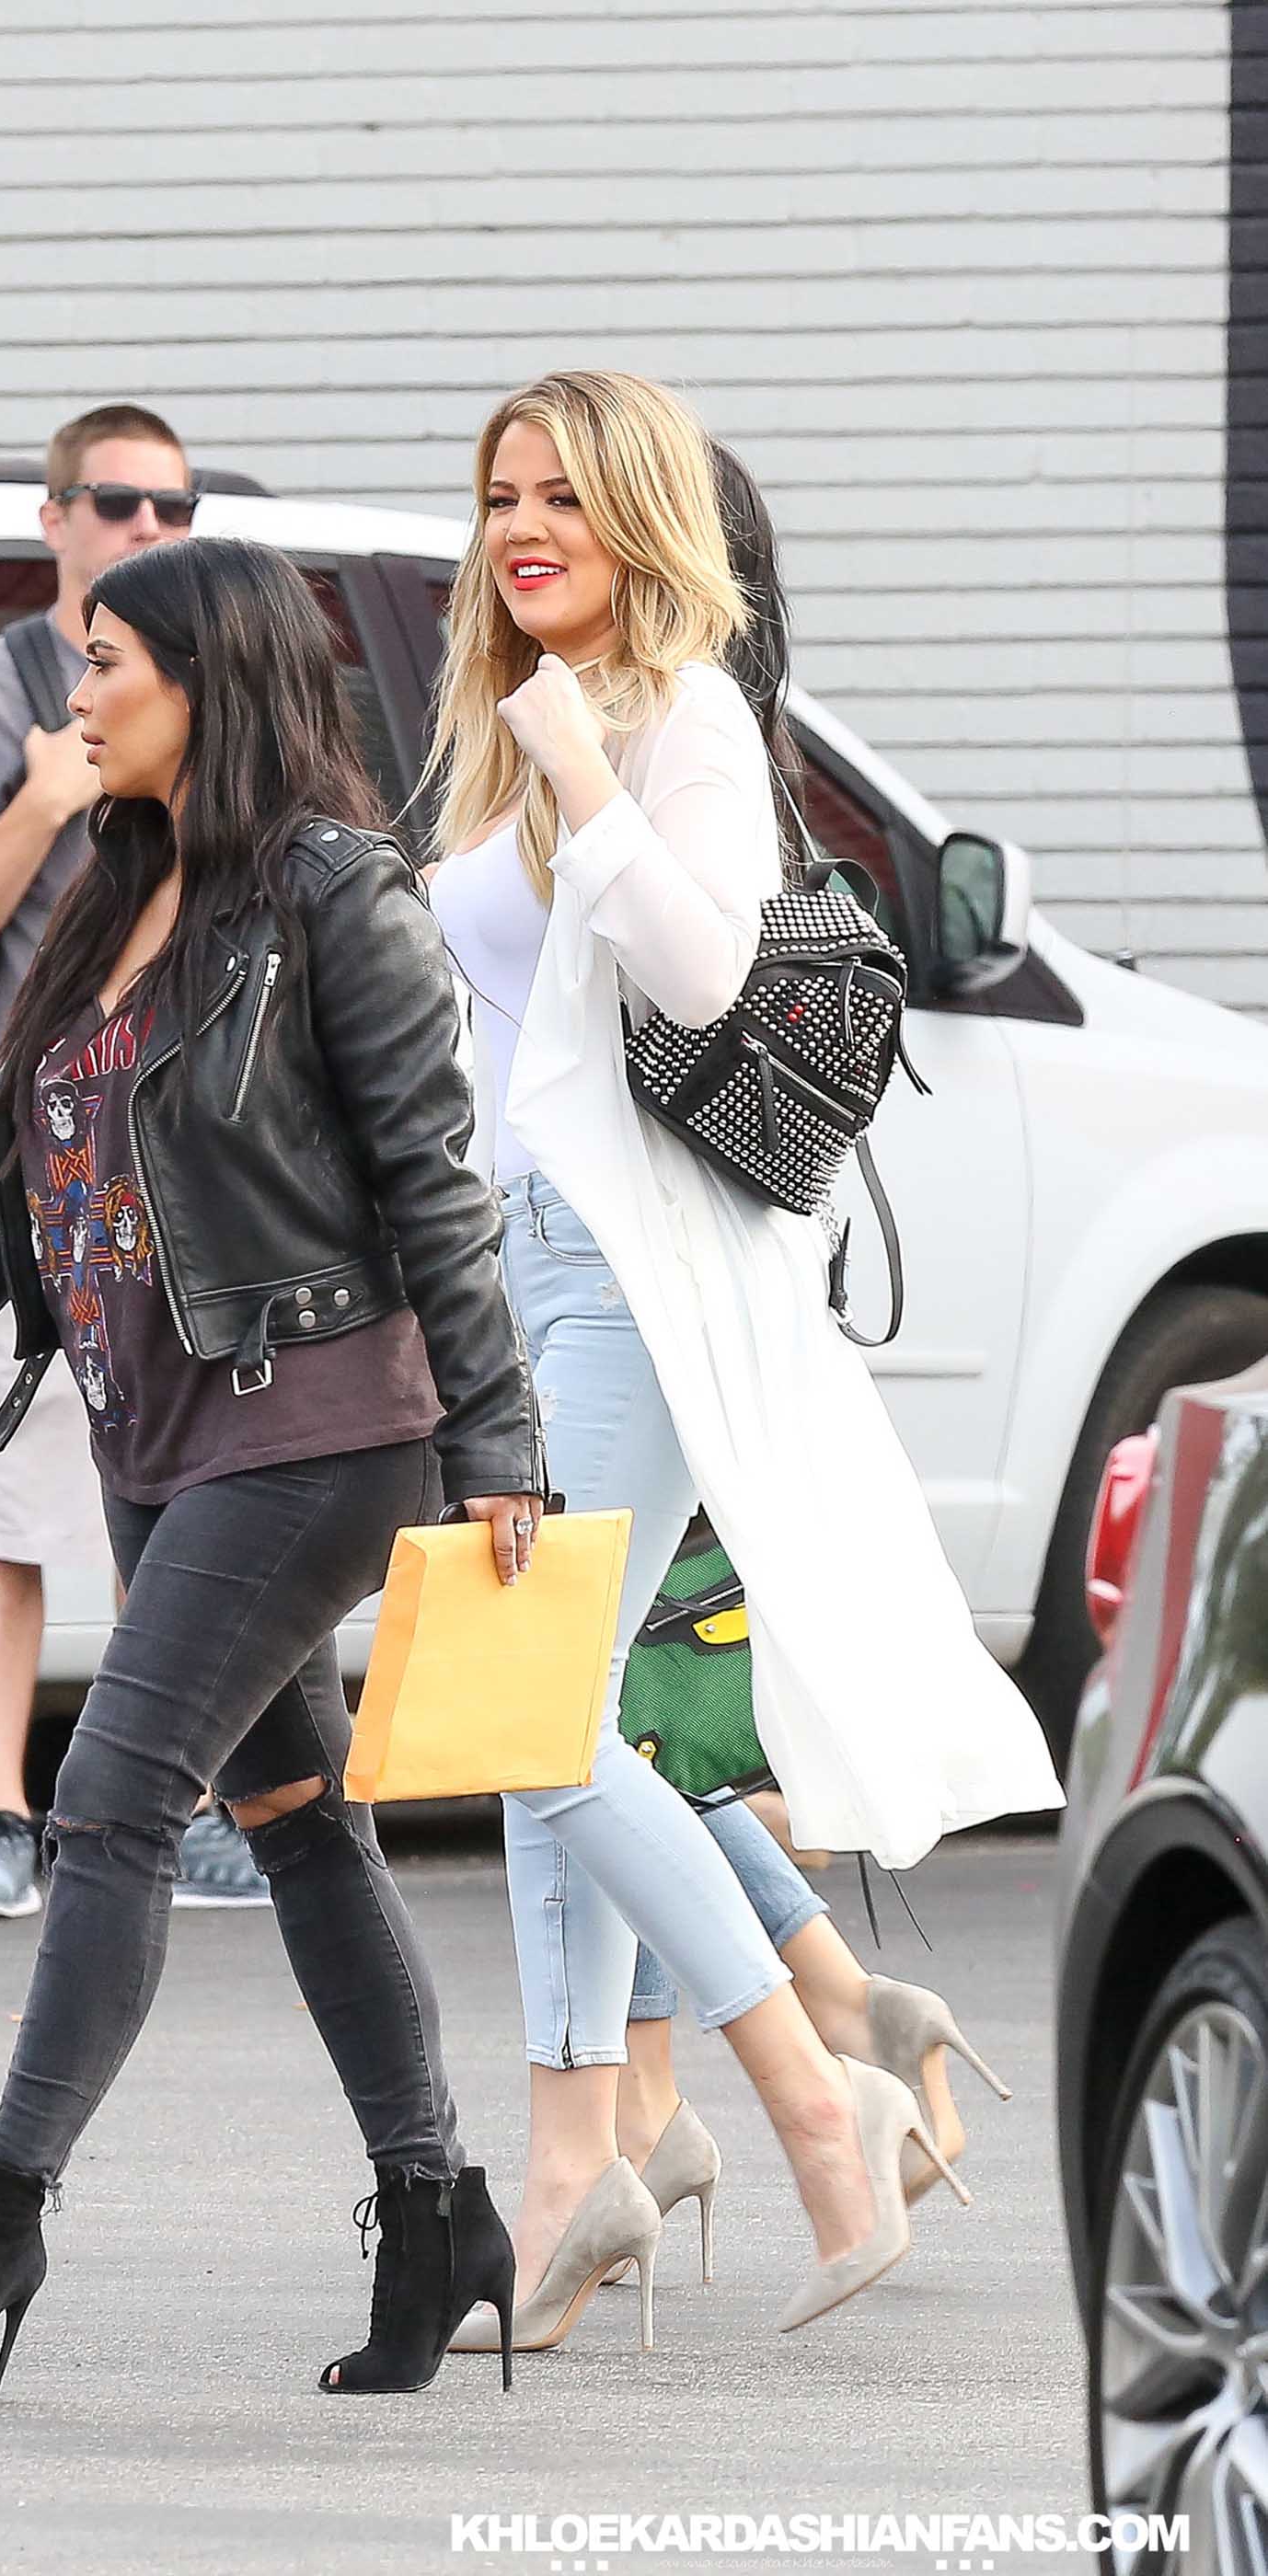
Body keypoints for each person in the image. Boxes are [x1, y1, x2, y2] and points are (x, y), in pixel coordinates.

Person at [0, 534, 545, 2398]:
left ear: (210, 678)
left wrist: (497, 1434)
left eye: (108, 658)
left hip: (319, 1425)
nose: (78, 692)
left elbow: (433, 1177)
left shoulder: (333, 893)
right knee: (300, 1829)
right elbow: (8, 1206)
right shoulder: (98, 897)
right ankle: (436, 2210)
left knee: (109, 1800)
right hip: (159, 1432)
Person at [423, 370, 1063, 2353]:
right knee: (555, 1713)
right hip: (527, 1261)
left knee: (519, 1711)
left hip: (634, 1281)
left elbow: (707, 974)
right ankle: (579, 2171)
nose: (526, 525)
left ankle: (806, 2096)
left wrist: (584, 780)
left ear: (638, 517)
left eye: (565, 496)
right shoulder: (497, 724)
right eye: (502, 494)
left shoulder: (671, 714)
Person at [0, 399, 264, 1917]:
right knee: (7, 1499)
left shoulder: (209, 690)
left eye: (175, 509)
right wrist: (44, 800)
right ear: (53, 518)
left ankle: (198, 1799)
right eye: (115, 503)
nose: (148, 531)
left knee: (179, 1492)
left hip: (195, 1167)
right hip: (30, 1168)